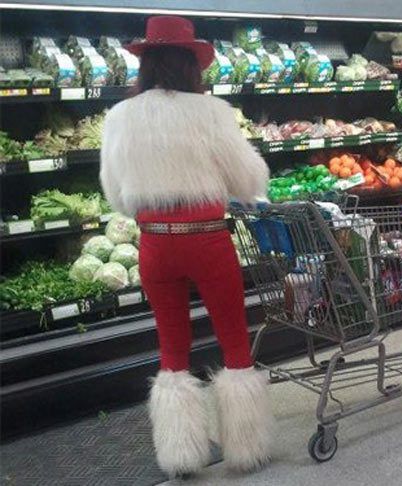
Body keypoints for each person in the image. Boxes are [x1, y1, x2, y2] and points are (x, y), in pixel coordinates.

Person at [100, 16, 273, 478]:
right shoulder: (211, 113)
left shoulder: (119, 118)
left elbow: (116, 196)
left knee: (172, 348)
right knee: (235, 341)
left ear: (146, 62)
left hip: (155, 245)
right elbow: (249, 181)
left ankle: (179, 455)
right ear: (192, 64)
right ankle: (246, 449)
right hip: (208, 242)